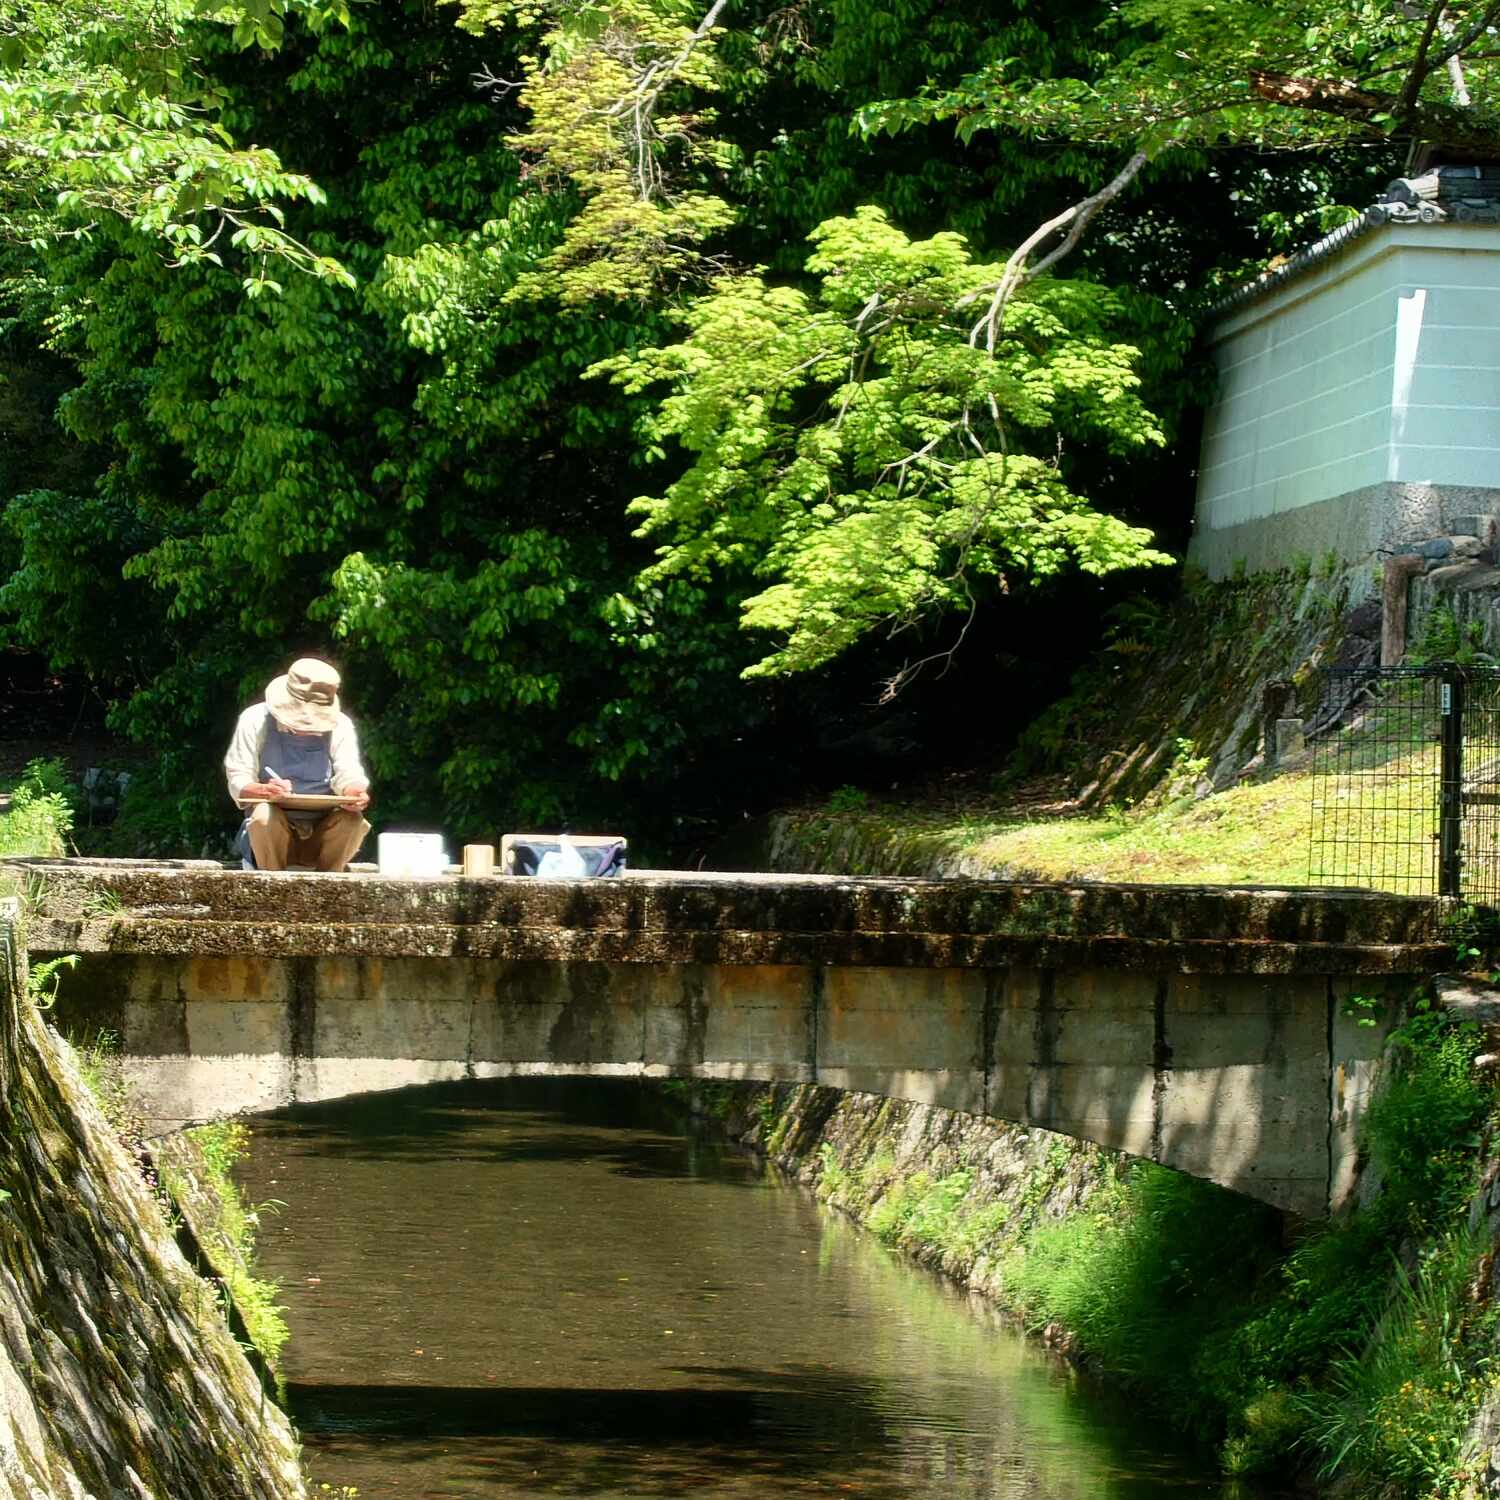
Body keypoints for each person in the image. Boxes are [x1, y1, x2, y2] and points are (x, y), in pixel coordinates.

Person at [224, 657, 372, 872]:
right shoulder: (255, 720)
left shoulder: (341, 725)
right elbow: (238, 777)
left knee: (352, 820)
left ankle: (329, 884)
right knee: (264, 815)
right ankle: (272, 886)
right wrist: (264, 790)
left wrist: (354, 794)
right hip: (271, 835)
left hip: (321, 833)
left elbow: (349, 773)